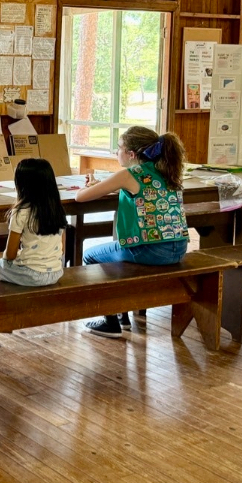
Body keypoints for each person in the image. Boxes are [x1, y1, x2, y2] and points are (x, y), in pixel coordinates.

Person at [75, 126, 189, 338]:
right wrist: (105, 186)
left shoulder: (128, 174)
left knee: (90, 255)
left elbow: (80, 198)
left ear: (131, 154)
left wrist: (90, 188)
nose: (115, 152)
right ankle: (122, 316)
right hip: (179, 248)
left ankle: (111, 321)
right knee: (114, 252)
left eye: (119, 147)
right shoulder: (165, 170)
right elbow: (141, 191)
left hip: (151, 250)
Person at [0, 158, 68, 347]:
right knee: (3, 273)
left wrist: (10, 260)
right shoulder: (57, 209)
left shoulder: (21, 211)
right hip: (55, 272)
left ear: (22, 185)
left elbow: (10, 254)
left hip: (31, 274)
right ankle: (4, 321)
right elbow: (61, 247)